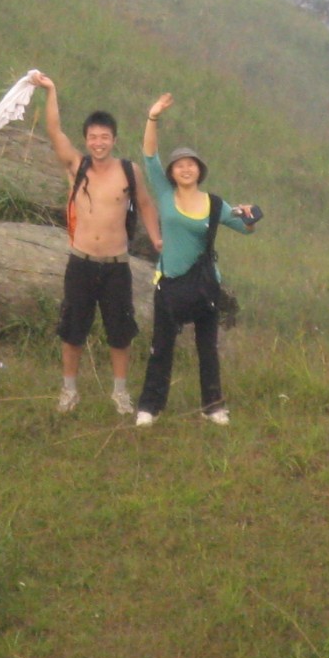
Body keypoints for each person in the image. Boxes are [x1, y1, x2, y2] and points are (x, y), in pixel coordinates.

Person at [29, 72, 161, 415]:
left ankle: (120, 394)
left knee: (120, 333)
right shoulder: (77, 166)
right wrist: (51, 90)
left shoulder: (129, 171)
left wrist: (157, 237)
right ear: (86, 140)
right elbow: (54, 131)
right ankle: (69, 391)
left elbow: (145, 204)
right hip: (81, 261)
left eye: (105, 137)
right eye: (93, 137)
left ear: (114, 140)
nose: (98, 143)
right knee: (73, 330)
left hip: (117, 264)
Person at [134, 92, 259, 426]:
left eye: (191, 164)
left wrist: (250, 215)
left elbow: (246, 229)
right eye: (179, 165)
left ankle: (213, 407)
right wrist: (153, 117)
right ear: (172, 172)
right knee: (161, 348)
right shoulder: (164, 194)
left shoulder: (216, 204)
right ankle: (150, 406)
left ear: (199, 170)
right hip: (170, 283)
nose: (185, 168)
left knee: (208, 349)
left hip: (205, 287)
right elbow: (149, 157)